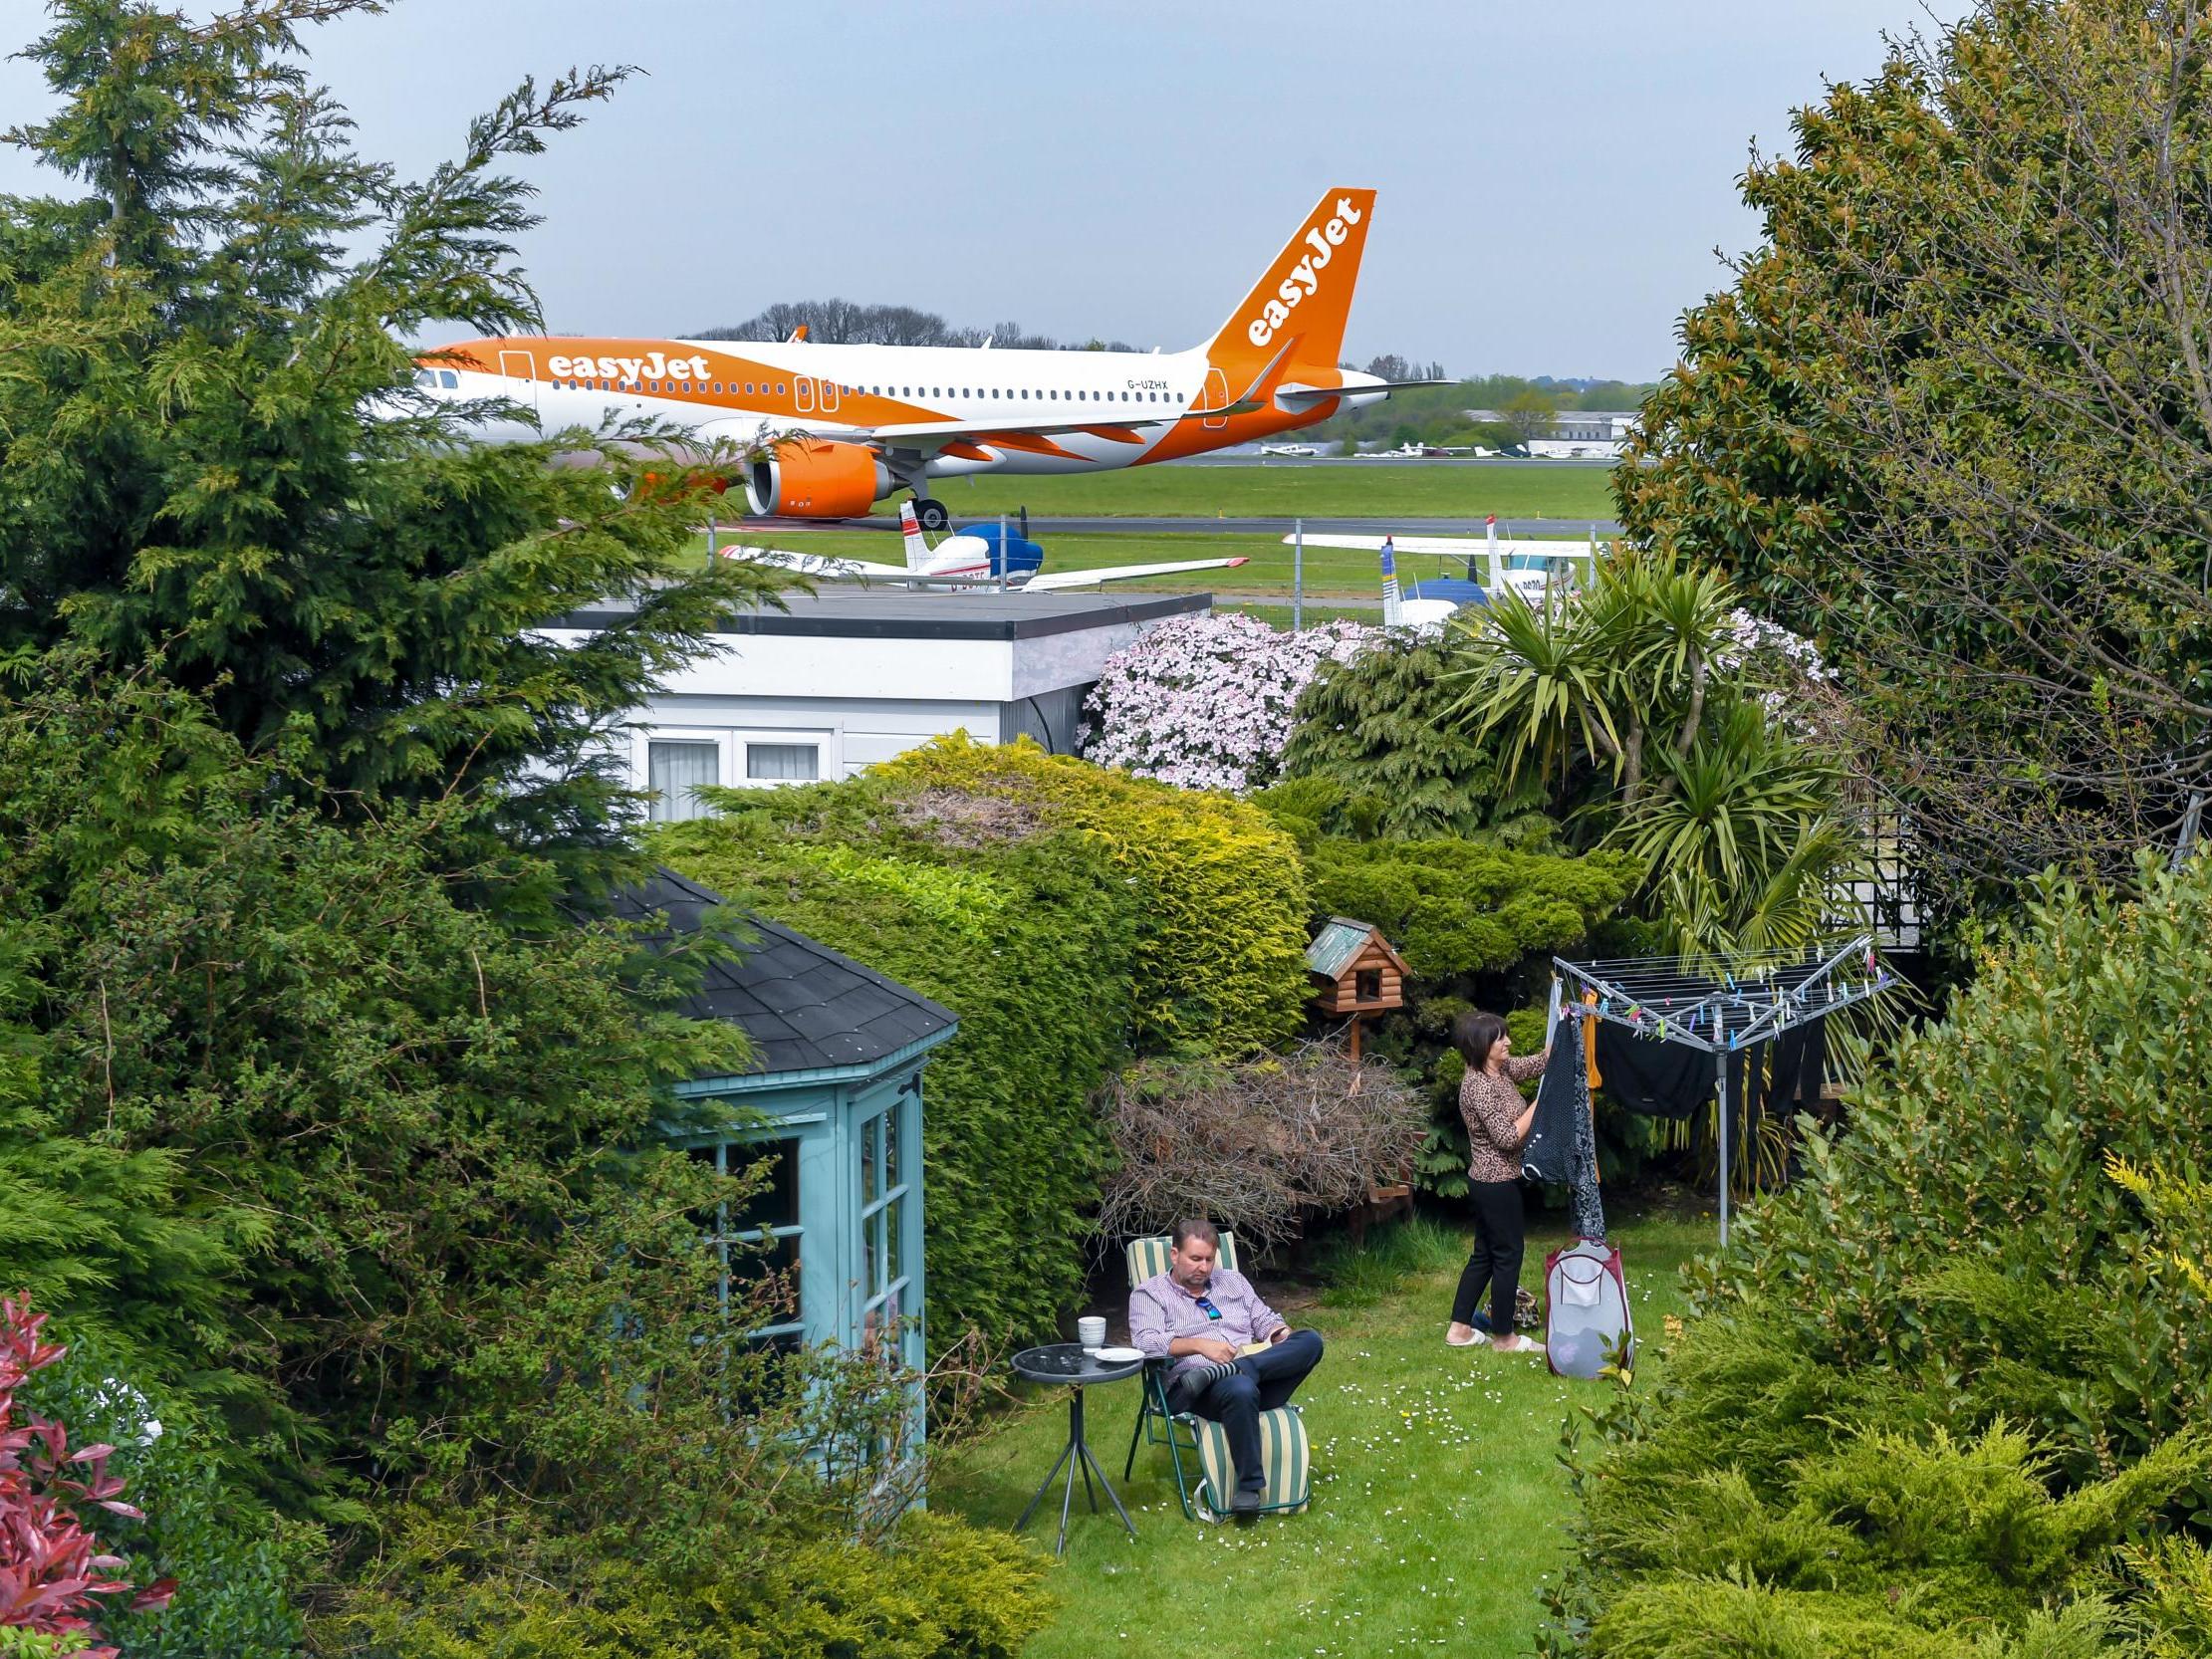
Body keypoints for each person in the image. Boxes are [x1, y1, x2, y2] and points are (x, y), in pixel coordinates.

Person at [1128, 1218, 1324, 1515]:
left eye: (1209, 1259)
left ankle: (1246, 1367)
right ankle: (1249, 1485)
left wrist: (1281, 1335)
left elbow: (1264, 1319)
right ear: (1175, 1254)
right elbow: (1145, 1343)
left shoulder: (1232, 1280)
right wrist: (1198, 1344)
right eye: (1195, 1258)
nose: (1203, 1267)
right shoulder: (1150, 1294)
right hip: (1192, 1387)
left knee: (1310, 1340)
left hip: (1253, 1374)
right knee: (1239, 1386)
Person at [1446, 1011, 1548, 1354]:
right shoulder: (1476, 1086)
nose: (1508, 1042)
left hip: (1493, 1181)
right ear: (1481, 1045)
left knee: (1485, 1255)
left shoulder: (1499, 1070)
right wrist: (1540, 1104)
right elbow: (1506, 1138)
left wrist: (1564, 1042)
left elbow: (1532, 1065)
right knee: (1508, 1256)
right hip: (1496, 1183)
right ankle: (1505, 1338)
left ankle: (1459, 1330)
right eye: (1500, 1038)